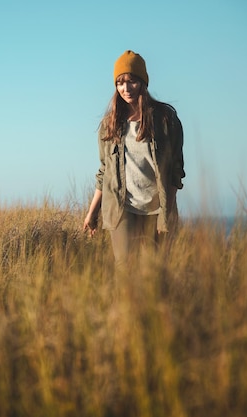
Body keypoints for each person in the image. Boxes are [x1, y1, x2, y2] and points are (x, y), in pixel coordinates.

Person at [83, 50, 185, 269]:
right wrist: (92, 212)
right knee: (125, 271)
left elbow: (176, 171)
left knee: (155, 275)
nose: (126, 89)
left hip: (157, 209)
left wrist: (165, 213)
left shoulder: (166, 120)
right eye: (120, 83)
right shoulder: (109, 124)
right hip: (122, 209)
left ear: (143, 83)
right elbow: (104, 172)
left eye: (132, 82)